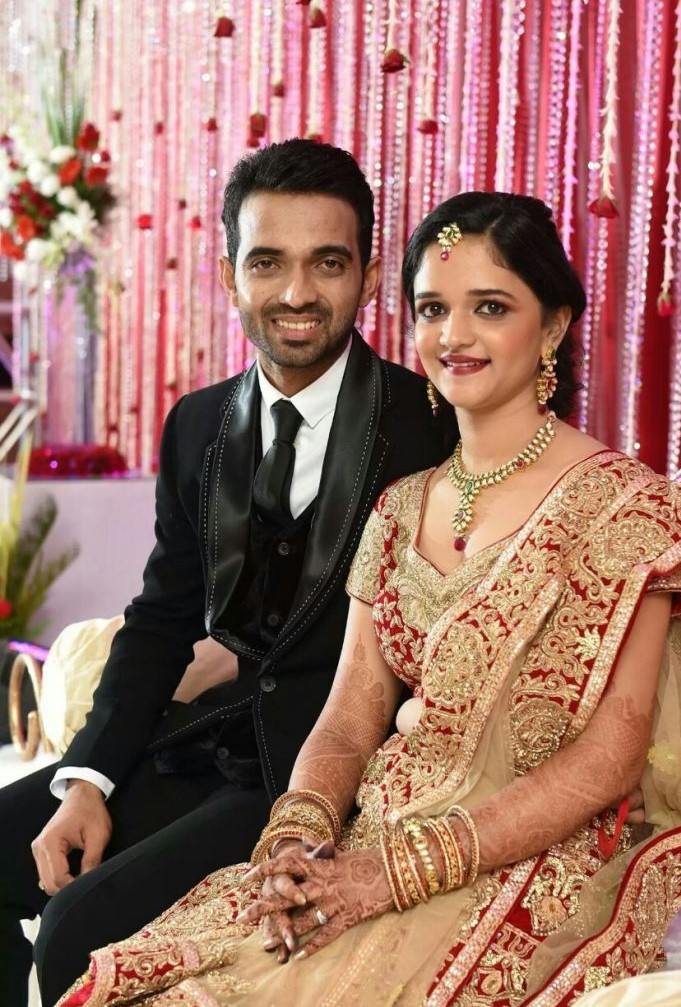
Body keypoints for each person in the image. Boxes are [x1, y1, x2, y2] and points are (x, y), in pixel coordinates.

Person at [55, 190, 681, 1007]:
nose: (453, 335)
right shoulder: (399, 508)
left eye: (489, 307)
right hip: (372, 834)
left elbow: (608, 760)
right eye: (432, 309)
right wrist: (296, 839)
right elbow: (351, 714)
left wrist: (390, 874)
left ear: (554, 324)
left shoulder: (628, 508)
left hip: (533, 856)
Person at [0, 138, 456, 1007]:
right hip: (199, 740)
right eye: (267, 262)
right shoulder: (198, 424)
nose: (296, 292)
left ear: (367, 277)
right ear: (228, 275)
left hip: (326, 778)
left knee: (73, 933)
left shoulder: (430, 424)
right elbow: (161, 619)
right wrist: (88, 779)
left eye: (327, 262)